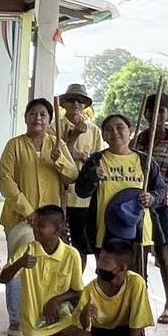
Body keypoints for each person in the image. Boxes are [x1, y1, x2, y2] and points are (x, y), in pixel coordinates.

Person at [0, 98, 80, 336]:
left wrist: (59, 160)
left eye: (43, 114)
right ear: (25, 118)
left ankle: (45, 311)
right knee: (20, 262)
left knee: (47, 268)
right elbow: (6, 181)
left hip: (51, 224)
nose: (38, 118)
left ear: (49, 120)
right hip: (20, 219)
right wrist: (29, 212)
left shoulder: (57, 145)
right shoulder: (14, 146)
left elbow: (72, 176)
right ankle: (16, 319)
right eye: (33, 113)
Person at [73, 114, 168, 276]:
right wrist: (92, 176)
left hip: (138, 230)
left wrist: (151, 198)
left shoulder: (144, 161)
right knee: (107, 278)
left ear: (130, 131)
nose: (114, 132)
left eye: (119, 127)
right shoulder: (97, 160)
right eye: (108, 129)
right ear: (103, 135)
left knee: (137, 280)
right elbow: (81, 191)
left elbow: (161, 189)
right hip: (104, 231)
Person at [0, 206, 84, 336]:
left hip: (62, 320)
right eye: (35, 225)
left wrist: (56, 301)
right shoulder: (28, 250)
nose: (35, 230)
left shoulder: (72, 254)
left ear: (59, 230)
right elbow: (3, 279)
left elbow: (77, 291)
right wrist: (20, 263)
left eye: (41, 226)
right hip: (36, 325)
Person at [133, 92, 168, 324]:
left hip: (162, 204)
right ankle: (140, 301)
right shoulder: (138, 139)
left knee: (163, 252)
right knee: (140, 252)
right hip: (138, 203)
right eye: (152, 110)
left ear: (167, 114)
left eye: (162, 110)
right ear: (145, 114)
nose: (157, 115)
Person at [75, 239, 153, 336]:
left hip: (126, 333)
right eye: (100, 259)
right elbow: (83, 325)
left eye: (105, 262)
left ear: (122, 267)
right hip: (102, 334)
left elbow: (137, 325)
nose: (99, 266)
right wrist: (85, 314)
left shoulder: (136, 284)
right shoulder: (91, 289)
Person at [58, 84, 106, 270]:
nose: (76, 103)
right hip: (59, 194)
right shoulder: (55, 126)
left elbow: (97, 162)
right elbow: (58, 155)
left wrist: (82, 156)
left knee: (81, 246)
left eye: (80, 100)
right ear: (64, 103)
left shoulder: (93, 130)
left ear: (85, 104)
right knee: (60, 244)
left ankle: (77, 286)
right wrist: (73, 141)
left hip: (83, 199)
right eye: (71, 99)